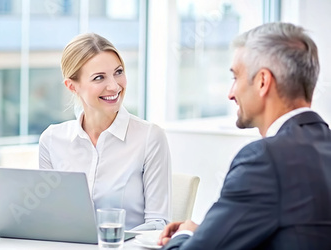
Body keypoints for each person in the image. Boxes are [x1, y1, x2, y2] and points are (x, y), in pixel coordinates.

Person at [158, 22, 331, 249]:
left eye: (235, 77)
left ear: (262, 82)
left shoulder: (265, 160)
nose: (231, 94)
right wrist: (209, 232)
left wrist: (186, 236)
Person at [38, 33, 171, 230]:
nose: (114, 86)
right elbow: (48, 217)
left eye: (118, 72)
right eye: (99, 77)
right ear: (72, 86)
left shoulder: (150, 137)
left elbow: (158, 224)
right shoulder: (51, 140)